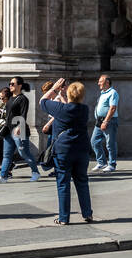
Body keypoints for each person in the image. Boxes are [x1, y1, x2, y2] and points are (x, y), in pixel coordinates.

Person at [40, 79, 94, 224]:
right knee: (82, 181)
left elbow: (42, 101)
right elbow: (70, 108)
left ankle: (64, 218)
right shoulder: (84, 109)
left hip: (64, 150)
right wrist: (65, 97)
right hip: (82, 149)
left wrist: (56, 89)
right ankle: (87, 213)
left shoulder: (60, 109)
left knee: (63, 183)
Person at [0, 76, 40, 183]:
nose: (10, 86)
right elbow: (8, 115)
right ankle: (3, 176)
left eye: (13, 84)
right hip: (8, 130)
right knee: (7, 155)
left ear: (20, 85)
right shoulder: (10, 98)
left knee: (24, 153)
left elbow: (23, 114)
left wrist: (19, 127)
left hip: (19, 131)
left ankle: (35, 172)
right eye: (10, 84)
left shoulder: (23, 99)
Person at [91, 74, 119, 172]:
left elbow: (112, 108)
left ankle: (112, 164)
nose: (98, 83)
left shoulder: (113, 92)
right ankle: (102, 162)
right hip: (99, 121)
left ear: (107, 82)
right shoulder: (103, 93)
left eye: (100, 81)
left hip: (109, 121)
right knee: (94, 141)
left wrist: (106, 121)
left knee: (110, 143)